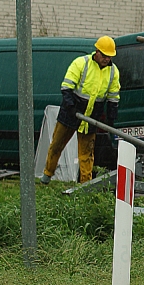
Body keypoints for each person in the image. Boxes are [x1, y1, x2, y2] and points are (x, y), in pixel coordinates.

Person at [39, 36, 121, 184]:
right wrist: (70, 107)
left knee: (87, 154)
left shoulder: (113, 72)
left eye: (109, 56)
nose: (106, 59)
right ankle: (47, 175)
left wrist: (111, 117)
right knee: (57, 145)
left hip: (91, 116)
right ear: (96, 51)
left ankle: (85, 185)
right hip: (71, 111)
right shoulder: (81, 63)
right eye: (104, 55)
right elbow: (67, 87)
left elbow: (113, 97)